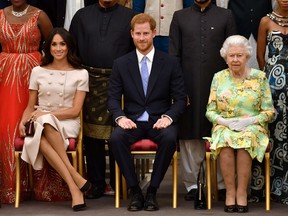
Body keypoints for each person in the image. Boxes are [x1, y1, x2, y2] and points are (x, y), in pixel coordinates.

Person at [108, 13, 186, 211]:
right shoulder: (121, 63)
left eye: (145, 33)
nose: (142, 38)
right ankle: (135, 190)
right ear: (131, 34)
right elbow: (113, 99)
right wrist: (120, 117)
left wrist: (168, 117)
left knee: (170, 138)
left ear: (153, 33)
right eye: (138, 34)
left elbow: (180, 99)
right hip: (132, 121)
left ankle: (152, 191)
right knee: (116, 138)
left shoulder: (169, 62)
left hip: (159, 120)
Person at [169, 0, 236, 202]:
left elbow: (232, 54)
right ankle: (191, 184)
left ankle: (222, 183)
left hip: (220, 87)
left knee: (219, 132)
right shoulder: (180, 17)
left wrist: (231, 89)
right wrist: (179, 90)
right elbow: (174, 56)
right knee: (190, 133)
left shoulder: (226, 16)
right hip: (188, 84)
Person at [69, 0, 136, 199]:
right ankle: (97, 183)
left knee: (119, 132)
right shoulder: (82, 16)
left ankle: (120, 182)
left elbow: (136, 50)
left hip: (121, 81)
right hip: (89, 81)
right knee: (91, 134)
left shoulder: (129, 17)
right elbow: (72, 49)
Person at [19, 27, 91, 211]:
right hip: (40, 120)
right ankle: (75, 183)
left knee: (43, 125)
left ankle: (75, 185)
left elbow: (75, 111)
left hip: (67, 122)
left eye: (62, 44)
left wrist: (45, 114)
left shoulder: (81, 73)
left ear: (69, 47)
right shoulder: (37, 71)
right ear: (48, 47)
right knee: (41, 128)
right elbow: (30, 106)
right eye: (54, 44)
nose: (58, 48)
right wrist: (22, 121)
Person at [205, 35, 274, 212]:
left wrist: (250, 121)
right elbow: (210, 111)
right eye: (231, 56)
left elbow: (269, 111)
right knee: (226, 140)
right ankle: (230, 192)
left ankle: (242, 193)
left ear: (247, 56)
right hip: (225, 124)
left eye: (239, 55)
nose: (235, 59)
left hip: (253, 126)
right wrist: (225, 122)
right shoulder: (218, 77)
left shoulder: (260, 78)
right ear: (225, 57)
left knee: (245, 141)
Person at [0, 0, 52, 204]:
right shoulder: (1, 14)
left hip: (34, 73)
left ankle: (39, 184)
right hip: (5, 74)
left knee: (34, 123)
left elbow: (53, 42)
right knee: (7, 127)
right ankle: (12, 186)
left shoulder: (40, 15)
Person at [257, 0, 288, 205]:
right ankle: (271, 188)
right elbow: (260, 55)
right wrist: (268, 80)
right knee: (273, 133)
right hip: (273, 86)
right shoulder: (266, 21)